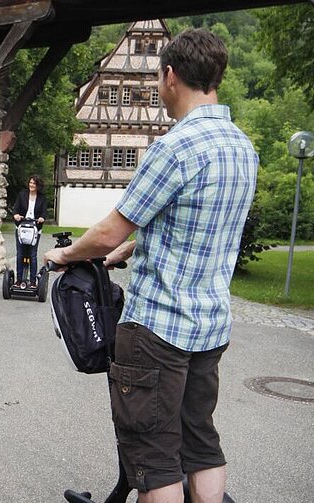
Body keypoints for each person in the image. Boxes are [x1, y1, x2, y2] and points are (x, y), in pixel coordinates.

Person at [45, 29, 258, 503]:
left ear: (171, 76)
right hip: (209, 326)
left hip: (158, 328)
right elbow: (195, 225)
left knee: (155, 454)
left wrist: (65, 254)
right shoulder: (243, 148)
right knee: (201, 443)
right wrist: (133, 250)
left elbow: (108, 230)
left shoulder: (175, 147)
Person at [12, 174, 47, 289]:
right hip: (21, 228)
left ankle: (32, 282)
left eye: (34, 183)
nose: (31, 185)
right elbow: (16, 208)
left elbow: (43, 212)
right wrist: (16, 215)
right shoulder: (22, 194)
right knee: (20, 254)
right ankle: (18, 280)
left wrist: (42, 218)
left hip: (35, 229)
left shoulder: (42, 197)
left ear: (38, 186)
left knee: (32, 255)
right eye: (30, 183)